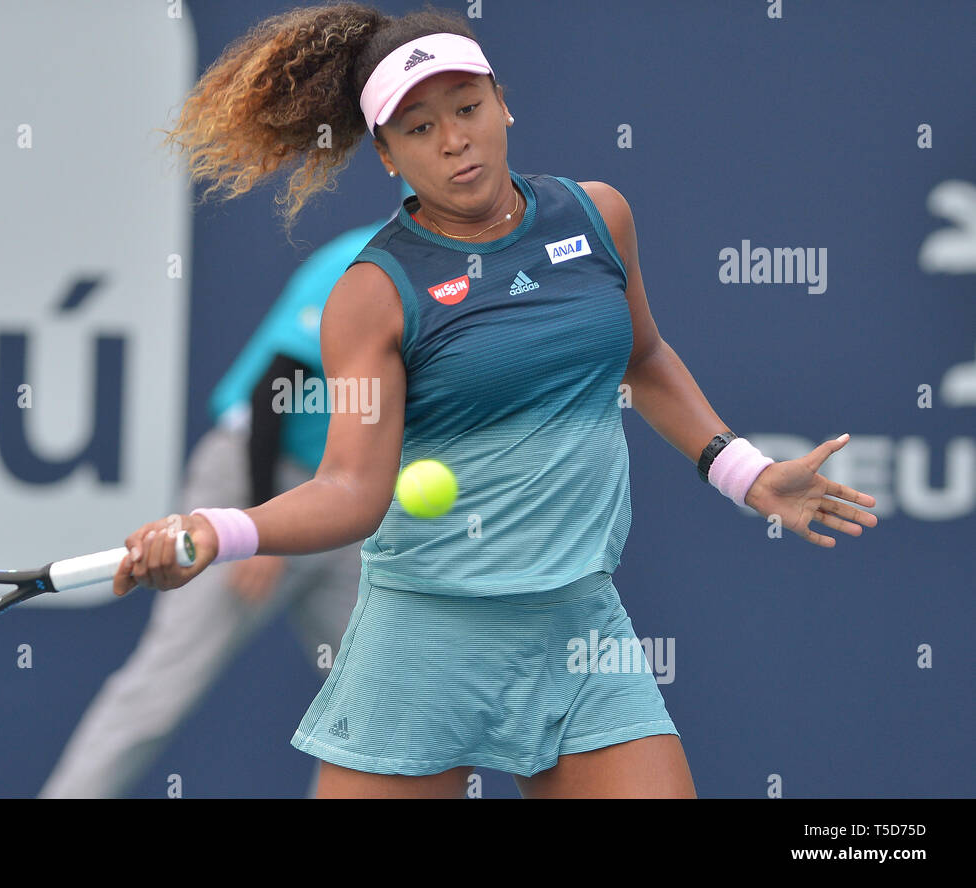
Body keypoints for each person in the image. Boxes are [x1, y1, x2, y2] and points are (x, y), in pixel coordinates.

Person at [114, 5, 879, 799]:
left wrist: (745, 473)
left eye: (468, 108)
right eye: (417, 128)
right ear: (385, 155)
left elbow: (643, 356)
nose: (454, 140)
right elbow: (350, 489)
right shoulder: (373, 295)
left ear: (502, 101)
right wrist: (216, 529)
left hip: (579, 628)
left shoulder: (597, 216)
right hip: (424, 644)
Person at [38, 183, 412, 798]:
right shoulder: (363, 266)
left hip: (357, 512)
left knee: (379, 703)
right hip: (261, 482)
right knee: (163, 689)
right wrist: (262, 530)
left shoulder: (457, 289)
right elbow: (276, 390)